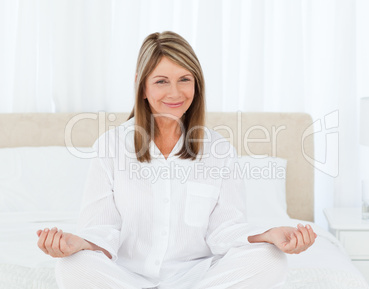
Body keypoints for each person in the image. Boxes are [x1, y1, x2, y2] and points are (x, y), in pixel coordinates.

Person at [37, 31, 316, 289]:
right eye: (161, 81)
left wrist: (268, 235)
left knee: (271, 259)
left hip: (198, 278)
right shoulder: (110, 146)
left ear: (196, 84)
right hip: (127, 277)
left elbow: (225, 231)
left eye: (184, 79)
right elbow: (102, 229)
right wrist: (78, 243)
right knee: (72, 265)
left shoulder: (219, 150)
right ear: (142, 87)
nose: (175, 93)